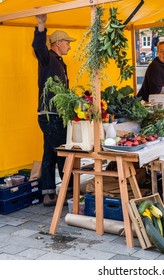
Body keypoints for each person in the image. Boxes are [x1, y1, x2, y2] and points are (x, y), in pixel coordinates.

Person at [32, 14, 76, 206]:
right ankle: (68, 190)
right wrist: (41, 25)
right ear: (57, 43)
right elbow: (38, 47)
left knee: (50, 153)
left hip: (53, 115)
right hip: (50, 116)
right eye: (67, 42)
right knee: (61, 153)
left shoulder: (58, 60)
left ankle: (48, 193)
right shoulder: (48, 58)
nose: (69, 45)